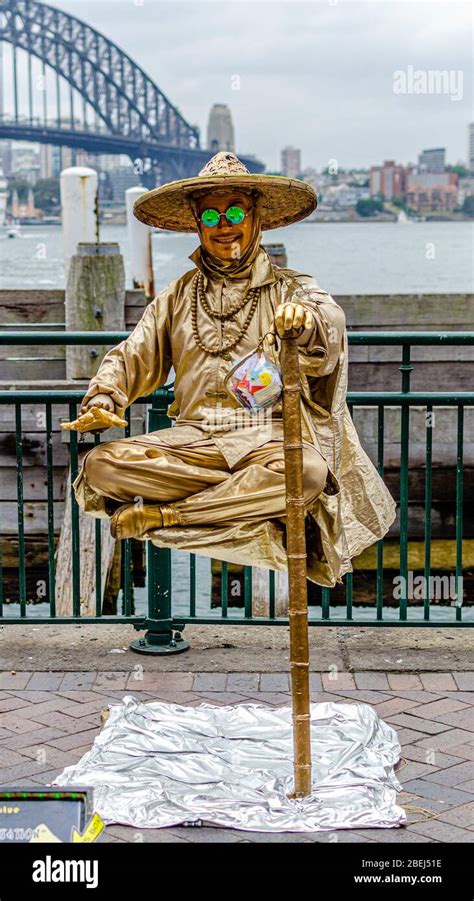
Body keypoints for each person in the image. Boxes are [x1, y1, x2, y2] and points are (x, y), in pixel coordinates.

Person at [72, 151, 397, 588]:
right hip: (191, 440)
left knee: (309, 474)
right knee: (100, 466)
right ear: (197, 223)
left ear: (254, 216)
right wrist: (104, 396)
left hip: (267, 439)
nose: (224, 224)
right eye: (210, 213)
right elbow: (134, 354)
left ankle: (169, 514)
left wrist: (304, 322)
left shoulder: (291, 288)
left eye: (235, 211)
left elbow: (329, 323)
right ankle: (237, 498)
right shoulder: (178, 295)